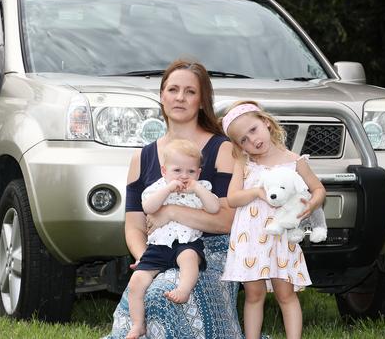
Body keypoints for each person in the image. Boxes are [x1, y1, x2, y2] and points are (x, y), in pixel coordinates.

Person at [104, 60, 243, 339]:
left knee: (159, 296)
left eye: (190, 92)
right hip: (159, 251)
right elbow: (133, 225)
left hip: (210, 253)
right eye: (173, 89)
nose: (180, 97)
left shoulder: (222, 149)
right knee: (144, 290)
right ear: (161, 96)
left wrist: (172, 212)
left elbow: (228, 220)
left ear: (203, 101)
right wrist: (148, 258)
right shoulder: (141, 158)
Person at [220, 100, 326, 339]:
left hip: (281, 239)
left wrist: (311, 204)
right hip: (251, 239)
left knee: (285, 293)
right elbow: (233, 198)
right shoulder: (245, 163)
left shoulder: (294, 161)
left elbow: (318, 189)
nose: (252, 140)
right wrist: (257, 192)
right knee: (254, 294)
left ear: (266, 122)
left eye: (253, 130)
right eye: (243, 140)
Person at [127, 139, 221, 339]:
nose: (184, 176)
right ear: (164, 171)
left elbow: (214, 208)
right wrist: (168, 189)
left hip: (187, 242)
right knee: (136, 282)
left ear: (199, 172)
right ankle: (137, 324)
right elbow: (148, 208)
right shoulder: (157, 188)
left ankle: (183, 290)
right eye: (177, 170)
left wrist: (198, 189)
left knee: (188, 259)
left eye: (191, 171)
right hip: (158, 245)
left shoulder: (201, 187)